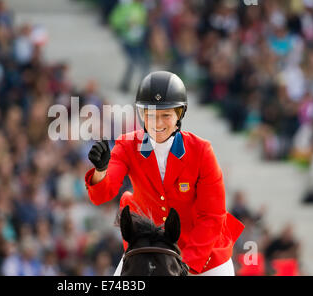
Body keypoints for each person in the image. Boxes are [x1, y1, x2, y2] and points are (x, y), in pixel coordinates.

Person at [85, 71, 244, 275]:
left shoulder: (201, 151)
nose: (157, 124)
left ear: (179, 114)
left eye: (165, 116)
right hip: (147, 251)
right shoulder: (127, 145)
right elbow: (101, 196)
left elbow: (212, 217)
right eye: (150, 115)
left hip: (204, 256)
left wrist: (184, 265)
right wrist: (100, 171)